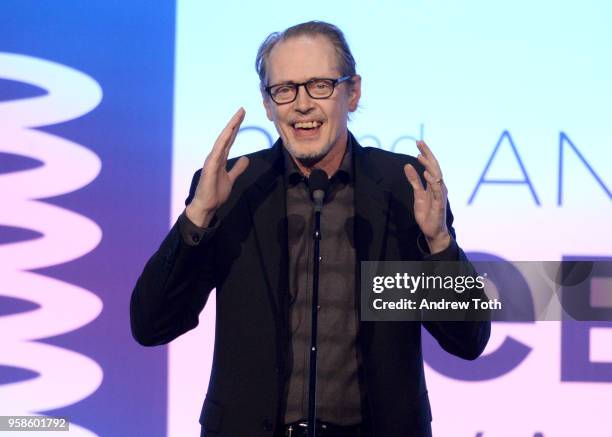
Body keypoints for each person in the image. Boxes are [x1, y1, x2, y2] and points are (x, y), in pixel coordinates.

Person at [130, 21, 490, 437]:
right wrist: (198, 217)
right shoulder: (233, 189)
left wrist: (438, 245)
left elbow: (467, 340)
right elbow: (152, 324)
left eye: (319, 85)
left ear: (352, 92)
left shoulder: (402, 189)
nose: (301, 104)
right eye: (284, 89)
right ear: (268, 105)